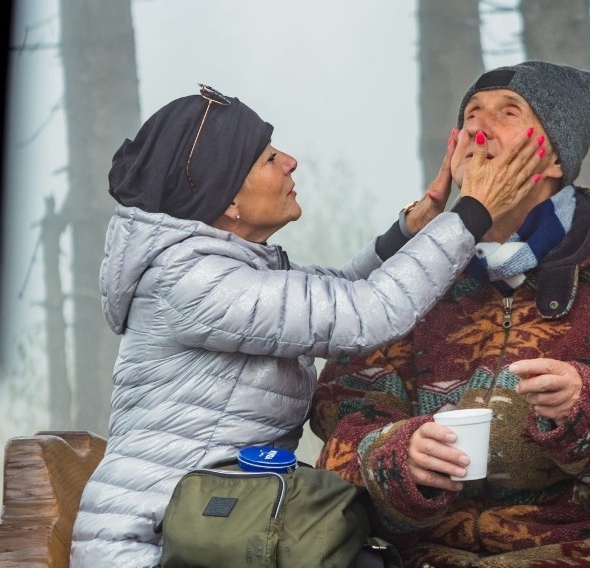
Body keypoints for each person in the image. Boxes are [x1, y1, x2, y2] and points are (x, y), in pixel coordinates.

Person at [68, 83, 549, 567]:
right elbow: (369, 312)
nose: (290, 161)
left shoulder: (223, 270)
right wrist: (473, 212)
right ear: (228, 199)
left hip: (221, 521)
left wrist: (411, 227)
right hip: (158, 543)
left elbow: (337, 287)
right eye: (267, 158)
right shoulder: (194, 283)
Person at [311, 61, 590, 568]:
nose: (479, 127)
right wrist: (399, 459)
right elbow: (341, 436)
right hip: (436, 558)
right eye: (471, 114)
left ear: (554, 159)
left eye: (507, 113)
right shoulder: (414, 280)